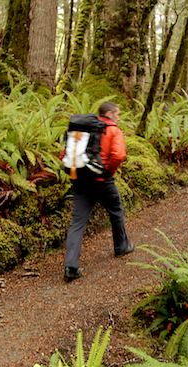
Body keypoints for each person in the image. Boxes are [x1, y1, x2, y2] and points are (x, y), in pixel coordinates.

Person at [63, 101, 134, 281]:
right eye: (117, 113)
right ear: (109, 114)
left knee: (77, 221)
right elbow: (118, 155)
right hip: (103, 181)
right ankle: (121, 246)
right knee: (116, 211)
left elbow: (66, 153)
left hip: (80, 180)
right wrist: (107, 170)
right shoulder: (112, 130)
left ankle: (71, 266)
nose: (118, 117)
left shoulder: (83, 128)